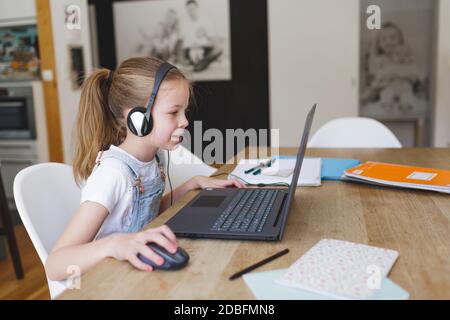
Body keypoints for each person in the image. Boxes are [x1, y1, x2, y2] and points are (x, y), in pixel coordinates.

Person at [45, 57, 245, 281]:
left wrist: (192, 184)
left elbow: (146, 212)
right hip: (111, 281)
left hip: (141, 272)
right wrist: (113, 244)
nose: (185, 121)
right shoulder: (113, 174)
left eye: (184, 111)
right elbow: (55, 264)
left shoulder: (152, 159)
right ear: (138, 118)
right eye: (173, 112)